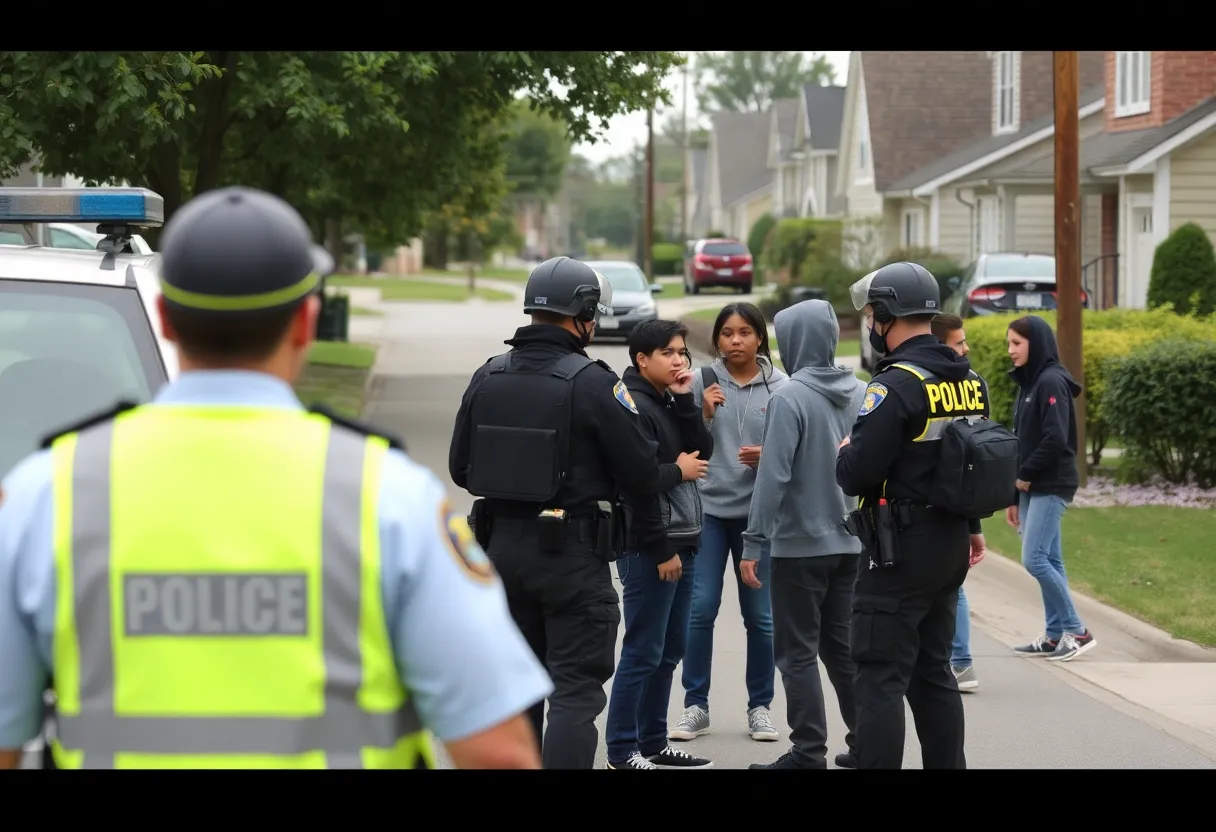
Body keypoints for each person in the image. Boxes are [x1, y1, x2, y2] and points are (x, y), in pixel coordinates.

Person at [0, 186, 552, 770]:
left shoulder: (46, 494)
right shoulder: (388, 497)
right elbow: (498, 754)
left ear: (166, 317)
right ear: (305, 322)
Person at [448, 257, 709, 769]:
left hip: (499, 556)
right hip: (572, 557)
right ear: (585, 314)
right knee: (573, 693)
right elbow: (639, 473)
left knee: (518, 689)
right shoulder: (593, 382)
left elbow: (460, 467)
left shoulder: (488, 375)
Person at [835, 262, 990, 770]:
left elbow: (857, 475)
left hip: (898, 551)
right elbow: (968, 464)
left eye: (873, 313)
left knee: (879, 674)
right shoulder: (970, 381)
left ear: (886, 315)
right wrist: (971, 528)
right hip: (948, 543)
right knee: (932, 673)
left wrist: (846, 449)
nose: (871, 323)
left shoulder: (894, 385)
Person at [739, 299, 865, 770]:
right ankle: (866, 742)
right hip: (851, 542)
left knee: (796, 653)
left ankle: (807, 751)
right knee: (842, 650)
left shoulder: (789, 397)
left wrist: (754, 541)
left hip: (798, 547)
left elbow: (773, 477)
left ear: (792, 343)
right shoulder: (862, 391)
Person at [672, 302, 787, 744]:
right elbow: (680, 444)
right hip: (709, 512)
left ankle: (760, 706)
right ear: (716, 339)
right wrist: (699, 412)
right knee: (700, 610)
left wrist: (769, 454)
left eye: (744, 333)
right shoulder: (701, 380)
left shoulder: (782, 387)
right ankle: (695, 706)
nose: (734, 341)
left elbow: (794, 451)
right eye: (726, 333)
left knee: (761, 618)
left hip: (758, 517)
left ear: (760, 338)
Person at [605, 320, 715, 770]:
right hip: (652, 546)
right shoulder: (632, 405)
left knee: (669, 650)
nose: (678, 360)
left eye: (682, 352)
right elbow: (637, 481)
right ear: (641, 359)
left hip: (682, 541)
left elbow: (702, 448)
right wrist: (661, 548)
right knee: (643, 650)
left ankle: (653, 743)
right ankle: (621, 751)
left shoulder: (668, 398)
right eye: (668, 353)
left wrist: (688, 400)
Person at [1005, 316, 1097, 662]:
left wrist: (1025, 476)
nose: (1010, 350)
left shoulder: (1051, 382)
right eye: (1009, 343)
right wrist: (1014, 495)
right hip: (1030, 486)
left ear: (1036, 343)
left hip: (1050, 483)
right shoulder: (1029, 384)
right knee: (1051, 560)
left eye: (1017, 343)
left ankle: (1078, 631)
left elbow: (1056, 438)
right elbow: (1022, 443)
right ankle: (1054, 634)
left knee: (1035, 559)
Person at [930, 314, 989, 693]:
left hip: (934, 501)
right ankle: (959, 662)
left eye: (963, 342)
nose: (965, 349)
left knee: (949, 586)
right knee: (953, 584)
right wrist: (975, 526)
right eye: (958, 343)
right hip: (960, 501)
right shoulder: (975, 384)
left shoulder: (920, 383)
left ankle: (958, 662)